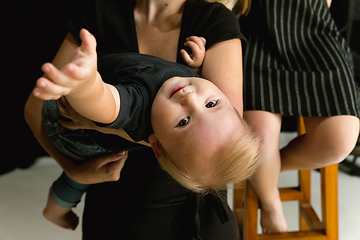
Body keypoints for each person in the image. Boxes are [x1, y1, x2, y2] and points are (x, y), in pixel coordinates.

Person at [25, 0, 247, 239]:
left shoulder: (212, 18)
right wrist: (72, 169)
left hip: (196, 220)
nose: (190, 98)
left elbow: (224, 126)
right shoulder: (100, 13)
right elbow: (36, 107)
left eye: (183, 122)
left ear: (158, 145)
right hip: (115, 212)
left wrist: (104, 123)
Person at [241, 0, 360, 233]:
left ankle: (264, 172)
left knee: (339, 139)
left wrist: (269, 166)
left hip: (316, 36)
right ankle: (269, 203)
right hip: (257, 37)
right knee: (259, 140)